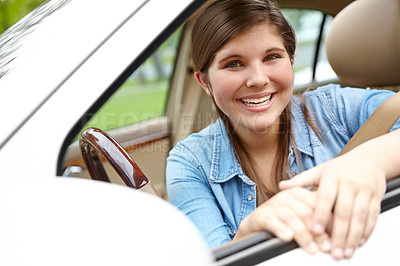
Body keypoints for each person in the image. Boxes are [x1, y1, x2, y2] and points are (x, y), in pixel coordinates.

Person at [166, 0, 400, 260]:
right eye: (233, 63)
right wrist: (248, 233)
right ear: (205, 81)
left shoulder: (333, 108)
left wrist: (369, 162)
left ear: (290, 61)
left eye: (272, 57)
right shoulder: (189, 162)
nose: (258, 79)